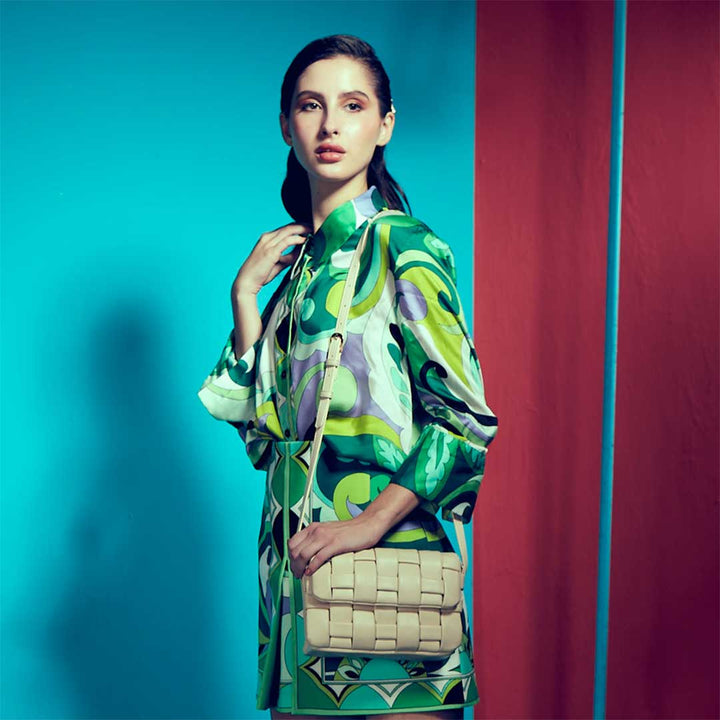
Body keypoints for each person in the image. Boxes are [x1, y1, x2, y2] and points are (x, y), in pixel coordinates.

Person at [198, 34, 498, 720]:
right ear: (287, 125)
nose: (331, 124)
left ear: (384, 124)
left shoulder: (403, 244)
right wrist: (244, 298)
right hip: (295, 580)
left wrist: (365, 526)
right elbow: (264, 440)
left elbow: (464, 418)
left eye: (353, 105)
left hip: (388, 575)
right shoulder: (294, 273)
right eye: (311, 105)